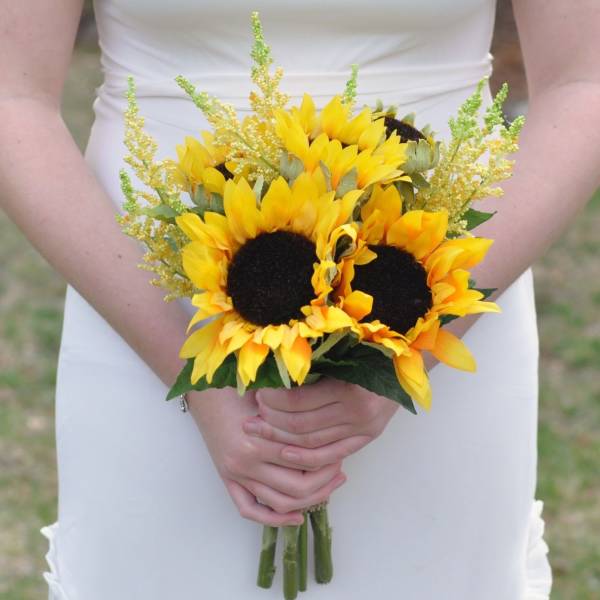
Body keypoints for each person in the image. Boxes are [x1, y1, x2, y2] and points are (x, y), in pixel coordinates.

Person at [1, 0, 599, 598]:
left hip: (444, 295)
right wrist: (194, 378)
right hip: (144, 306)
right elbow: (12, 94)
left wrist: (408, 349)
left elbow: (583, 81)